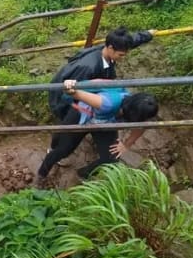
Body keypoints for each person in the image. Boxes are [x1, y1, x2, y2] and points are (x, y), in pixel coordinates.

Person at [46, 26, 153, 161]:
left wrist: (147, 34)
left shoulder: (108, 51)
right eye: (121, 55)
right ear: (110, 48)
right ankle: (53, 149)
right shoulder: (88, 68)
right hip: (66, 99)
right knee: (66, 124)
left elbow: (131, 42)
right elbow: (68, 92)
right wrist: (70, 111)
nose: (123, 58)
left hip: (89, 95)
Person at [37, 79, 159, 183]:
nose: (144, 122)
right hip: (83, 114)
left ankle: (82, 174)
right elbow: (75, 93)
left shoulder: (138, 114)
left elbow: (142, 126)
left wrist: (126, 144)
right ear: (133, 114)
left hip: (105, 124)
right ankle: (42, 174)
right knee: (62, 150)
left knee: (110, 158)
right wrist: (70, 86)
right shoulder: (107, 103)